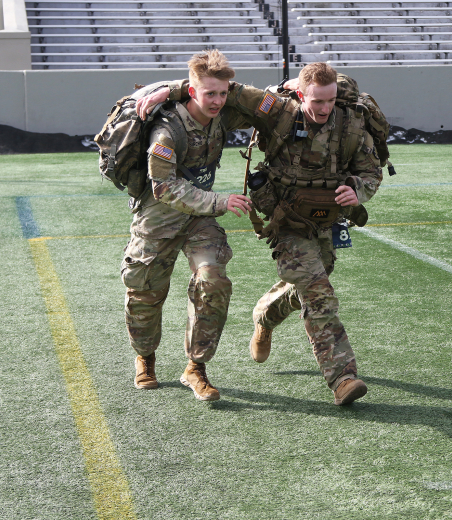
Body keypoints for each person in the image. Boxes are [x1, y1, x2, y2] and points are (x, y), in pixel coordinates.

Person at [138, 63, 382, 405]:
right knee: (317, 291)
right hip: (285, 218)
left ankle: (264, 316)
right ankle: (342, 377)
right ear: (300, 93)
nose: (325, 108)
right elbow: (226, 91)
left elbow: (371, 172)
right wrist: (174, 90)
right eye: (317, 101)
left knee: (316, 276)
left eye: (331, 100)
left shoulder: (352, 123)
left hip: (326, 217)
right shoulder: (279, 111)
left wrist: (358, 189)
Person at [124, 50, 251, 401]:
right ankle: (145, 357)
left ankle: (196, 367)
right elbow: (163, 187)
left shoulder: (222, 115)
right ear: (192, 91)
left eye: (223, 93)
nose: (218, 101)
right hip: (159, 219)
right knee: (145, 297)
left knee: (213, 279)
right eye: (209, 93)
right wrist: (220, 201)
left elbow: (260, 102)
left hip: (198, 220)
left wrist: (291, 86)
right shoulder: (167, 130)